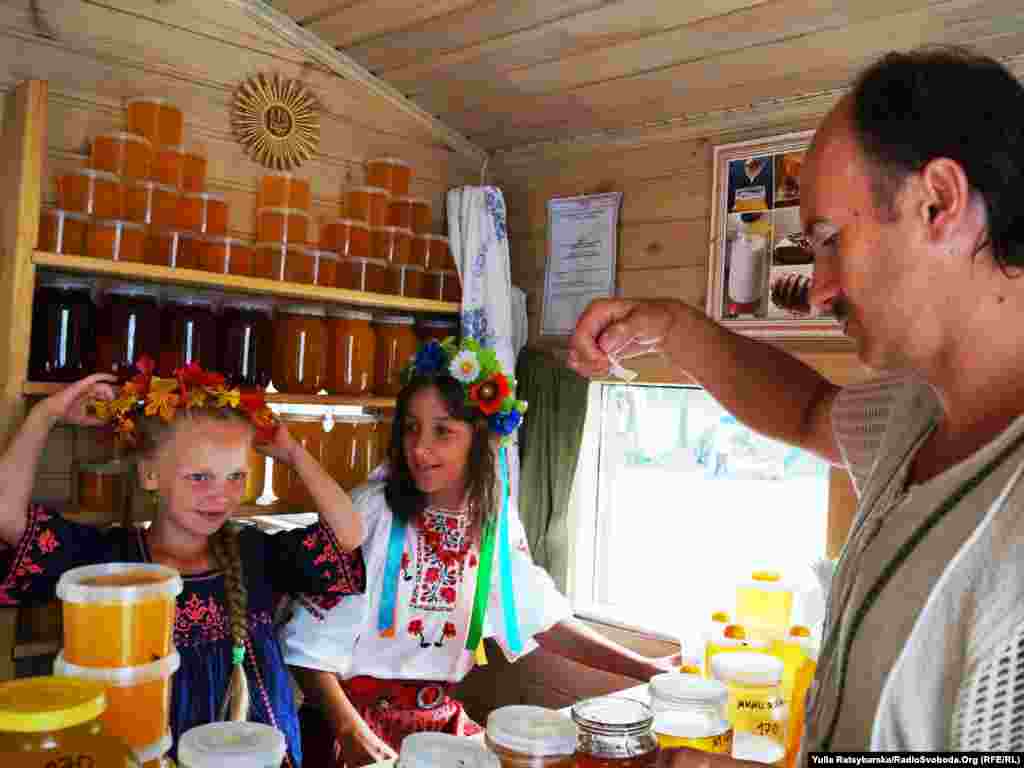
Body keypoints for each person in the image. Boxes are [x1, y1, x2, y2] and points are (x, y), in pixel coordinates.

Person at [569, 46, 1024, 759]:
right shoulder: (919, 411)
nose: (817, 288)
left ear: (940, 201)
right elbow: (809, 411)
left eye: (829, 242)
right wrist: (669, 326)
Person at [280, 337, 678, 767]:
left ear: (479, 437)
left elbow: (540, 618)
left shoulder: (493, 522)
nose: (419, 448)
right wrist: (349, 730)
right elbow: (307, 648)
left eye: (443, 431)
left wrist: (648, 670)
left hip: (438, 726)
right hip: (352, 728)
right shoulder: (369, 512)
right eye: (411, 427)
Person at [0, 358, 366, 767]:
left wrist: (293, 453)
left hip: (255, 752)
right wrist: (45, 415)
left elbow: (349, 534)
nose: (221, 495)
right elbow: (7, 516)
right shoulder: (112, 563)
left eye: (236, 477)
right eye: (199, 477)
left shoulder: (256, 553)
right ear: (150, 474)